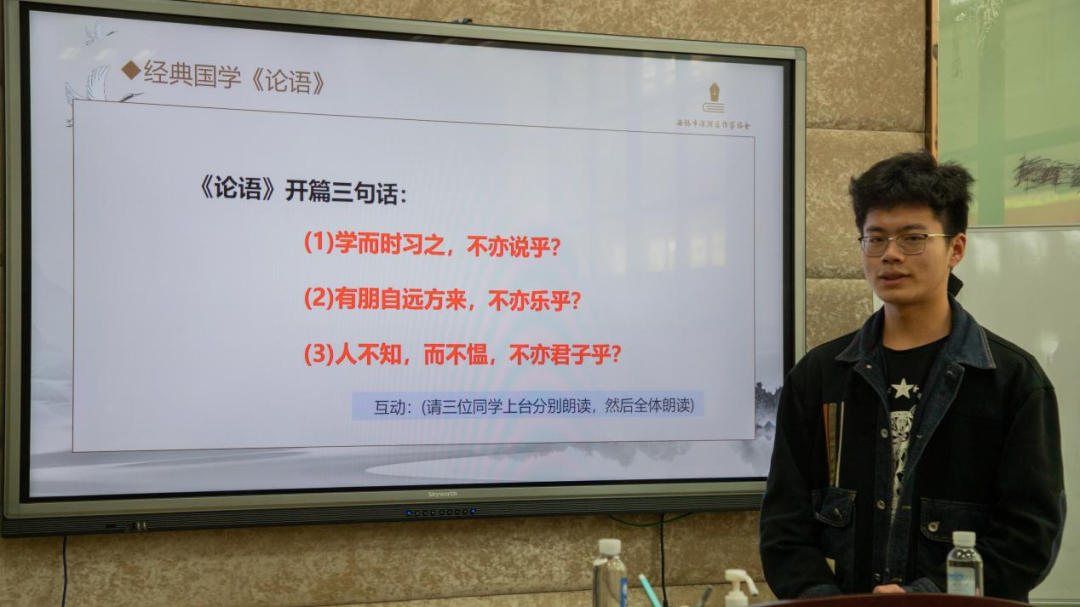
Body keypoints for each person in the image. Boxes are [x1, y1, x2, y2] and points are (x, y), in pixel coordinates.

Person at [759, 150, 1065, 601]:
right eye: (876, 238)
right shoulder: (819, 377)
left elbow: (1028, 539)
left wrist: (923, 597)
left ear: (956, 249)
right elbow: (784, 529)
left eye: (913, 238)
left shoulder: (1012, 381)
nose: (891, 255)